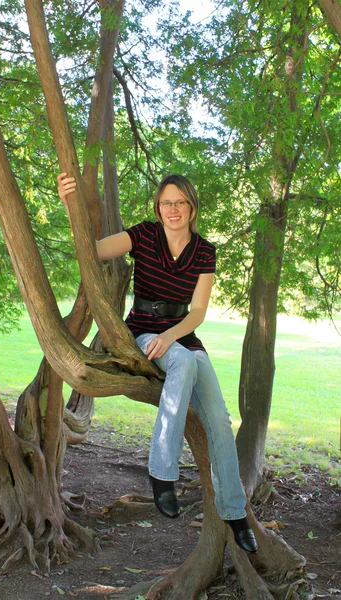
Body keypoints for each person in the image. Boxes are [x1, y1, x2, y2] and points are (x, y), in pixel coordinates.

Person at [57, 172, 258, 554]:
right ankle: (161, 474)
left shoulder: (205, 251)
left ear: (191, 206)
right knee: (181, 360)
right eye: (166, 202)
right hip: (145, 331)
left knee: (218, 418)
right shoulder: (144, 235)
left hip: (182, 334)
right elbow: (93, 249)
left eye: (179, 202)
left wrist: (173, 336)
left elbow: (197, 312)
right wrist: (71, 205)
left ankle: (235, 513)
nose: (172, 209)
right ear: (158, 207)